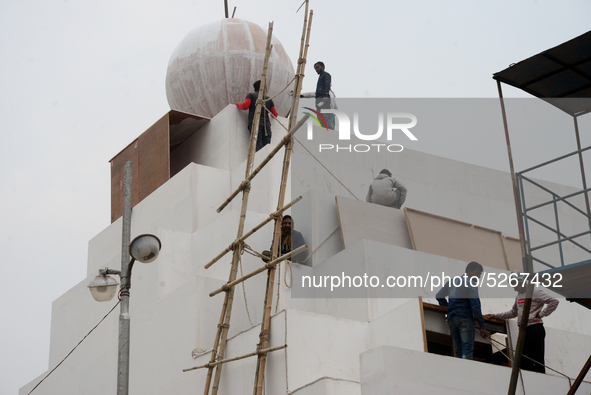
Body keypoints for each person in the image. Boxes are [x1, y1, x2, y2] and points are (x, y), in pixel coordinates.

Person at [484, 273, 558, 373]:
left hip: (535, 328)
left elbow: (554, 301)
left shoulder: (536, 292)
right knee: (524, 360)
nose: (514, 289)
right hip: (524, 330)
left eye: (515, 286)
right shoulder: (518, 297)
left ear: (521, 282)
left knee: (536, 359)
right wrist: (496, 315)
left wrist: (541, 314)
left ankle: (540, 379)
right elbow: (513, 312)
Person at [436, 261, 488, 360]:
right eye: (477, 273)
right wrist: (482, 325)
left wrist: (448, 308)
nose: (478, 276)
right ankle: (467, 373)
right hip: (465, 318)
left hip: (452, 319)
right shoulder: (471, 283)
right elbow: (475, 305)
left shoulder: (452, 281)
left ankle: (460, 372)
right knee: (467, 350)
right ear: (469, 271)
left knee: (459, 350)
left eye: (480, 274)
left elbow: (439, 296)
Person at [236, 80, 279, 152]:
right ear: (264, 89)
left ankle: (258, 161)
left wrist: (237, 104)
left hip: (255, 123)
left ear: (254, 89)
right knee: (266, 147)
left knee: (258, 145)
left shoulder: (251, 95)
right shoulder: (268, 99)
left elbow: (245, 106)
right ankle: (266, 162)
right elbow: (275, 114)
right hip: (266, 126)